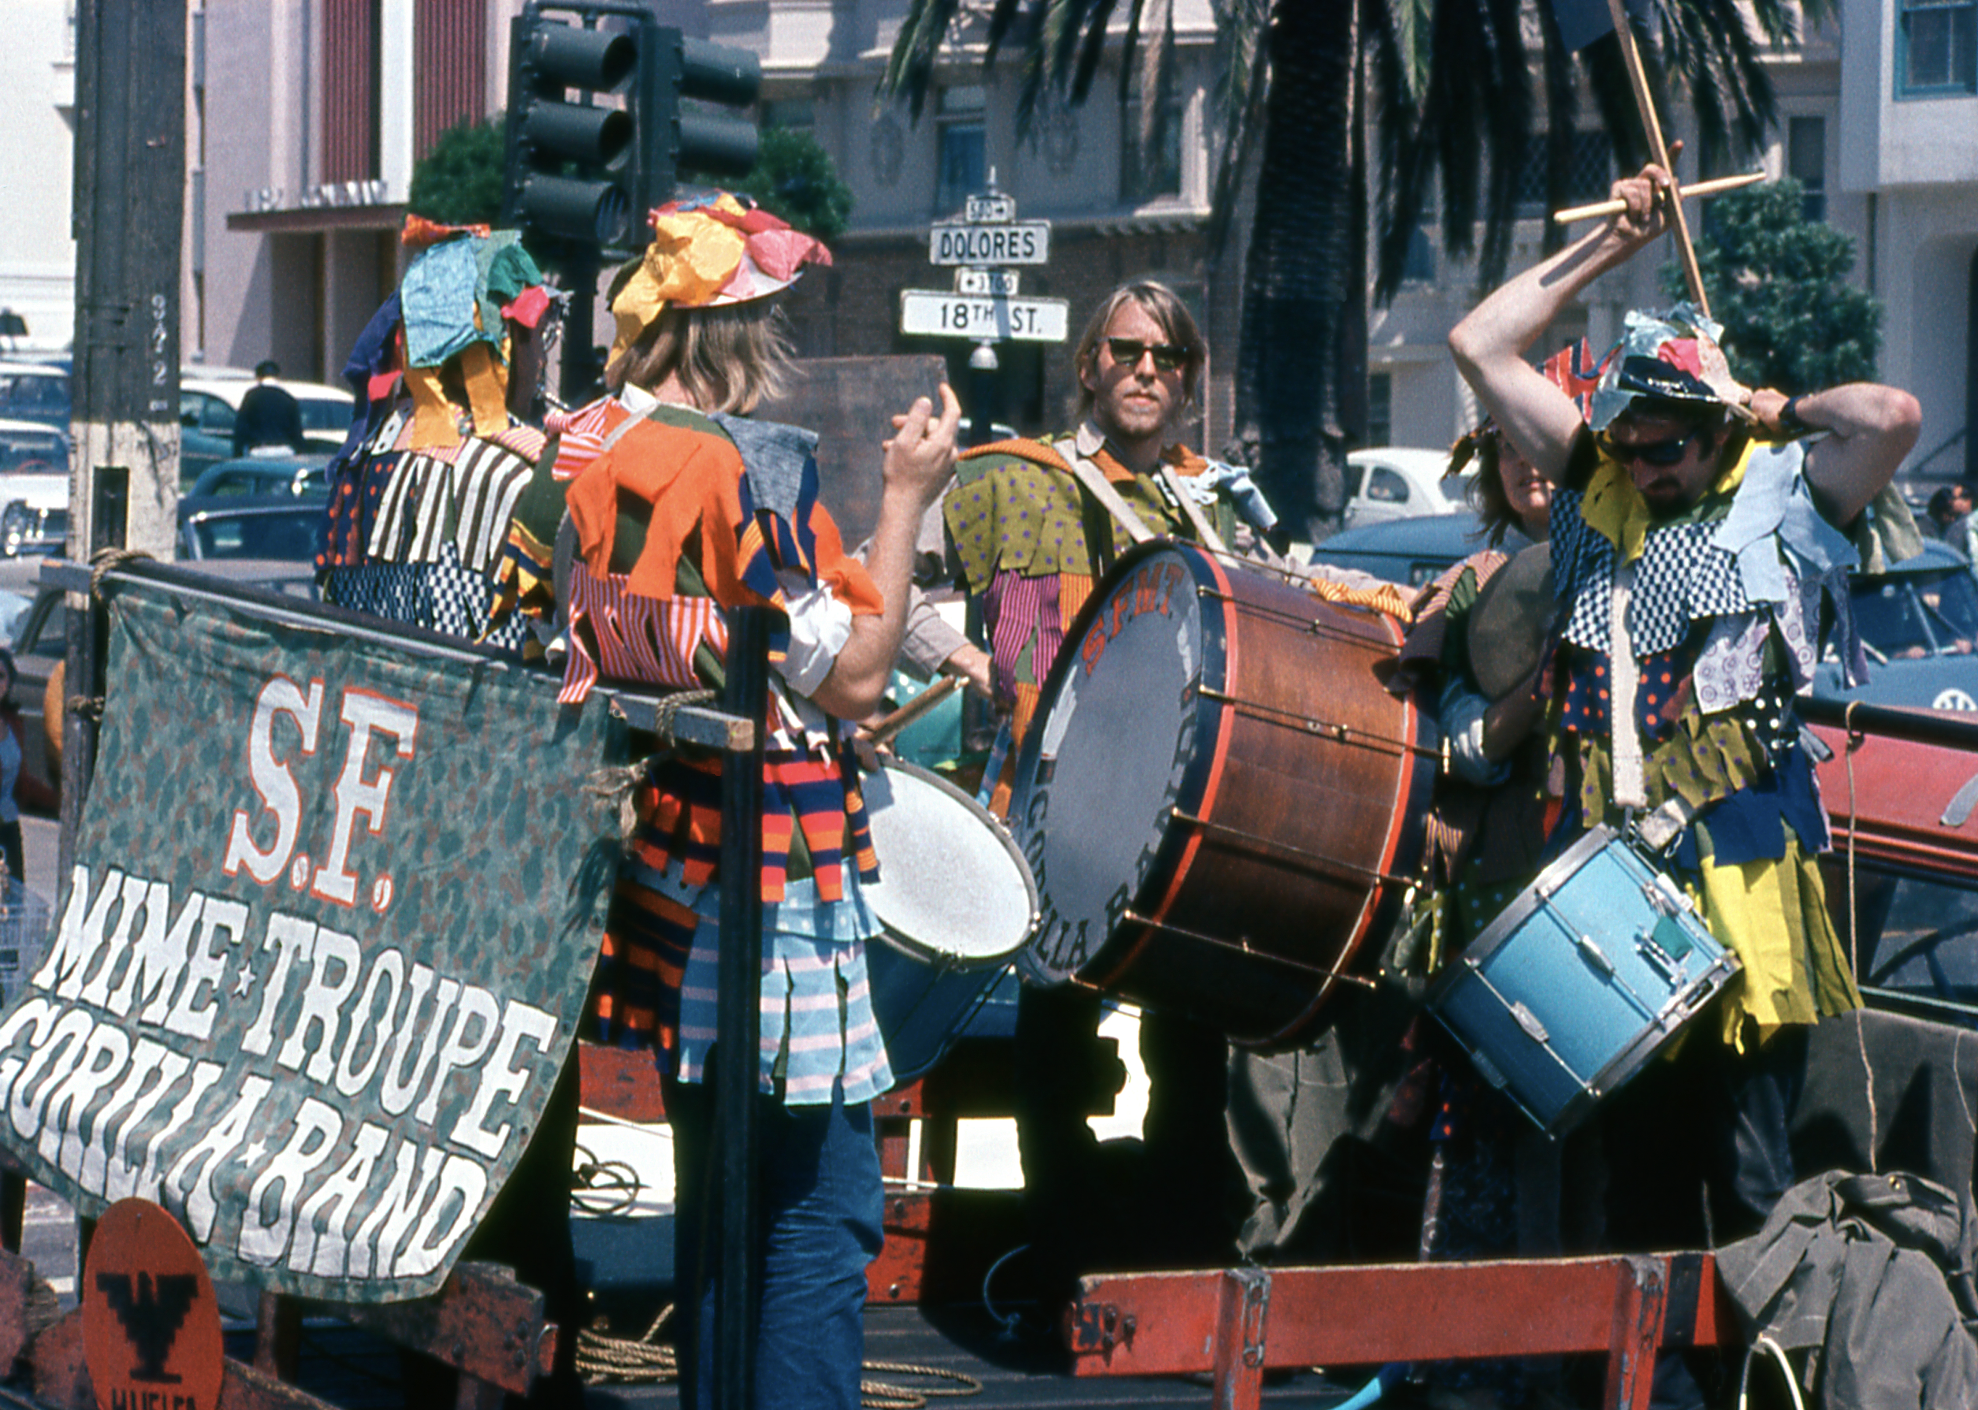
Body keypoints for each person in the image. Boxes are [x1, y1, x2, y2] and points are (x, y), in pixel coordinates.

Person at [1449, 159, 1921, 1407]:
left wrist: (1776, 405)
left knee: (1750, 1170)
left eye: (1669, 439)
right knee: (1634, 1177)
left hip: (1746, 875)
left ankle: (1763, 1388)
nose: (1644, 458)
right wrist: (1613, 241)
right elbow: (1478, 340)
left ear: (1714, 428)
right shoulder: (1594, 493)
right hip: (1615, 886)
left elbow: (1892, 416)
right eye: (1631, 437)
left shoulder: (1789, 490)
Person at [519, 192, 957, 1409]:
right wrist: (909, 492)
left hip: (668, 858)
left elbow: (628, 634)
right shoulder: (735, 467)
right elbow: (859, 668)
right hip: (768, 882)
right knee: (821, 1209)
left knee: (721, 1192)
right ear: (741, 334)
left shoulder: (590, 441)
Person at [943, 281, 1277, 1304]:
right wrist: (971, 659)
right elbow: (992, 644)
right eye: (1126, 351)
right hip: (1063, 804)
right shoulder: (1020, 484)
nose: (1145, 371)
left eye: (1167, 357)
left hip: (1188, 812)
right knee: (1057, 1038)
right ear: (1088, 365)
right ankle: (1063, 1260)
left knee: (1190, 1034)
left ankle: (1177, 1258)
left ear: (1188, 381)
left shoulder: (1215, 501)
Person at [0, 648, 55, 893]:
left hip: (9, 827)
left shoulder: (13, 722)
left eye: (1, 676)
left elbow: (22, 783)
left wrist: (60, 801)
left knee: (15, 906)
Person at [230, 359, 308, 457]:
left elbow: (241, 427)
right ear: (278, 376)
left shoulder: (252, 396)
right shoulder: (288, 398)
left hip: (259, 451)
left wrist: (237, 452)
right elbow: (296, 431)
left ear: (258, 377)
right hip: (285, 451)